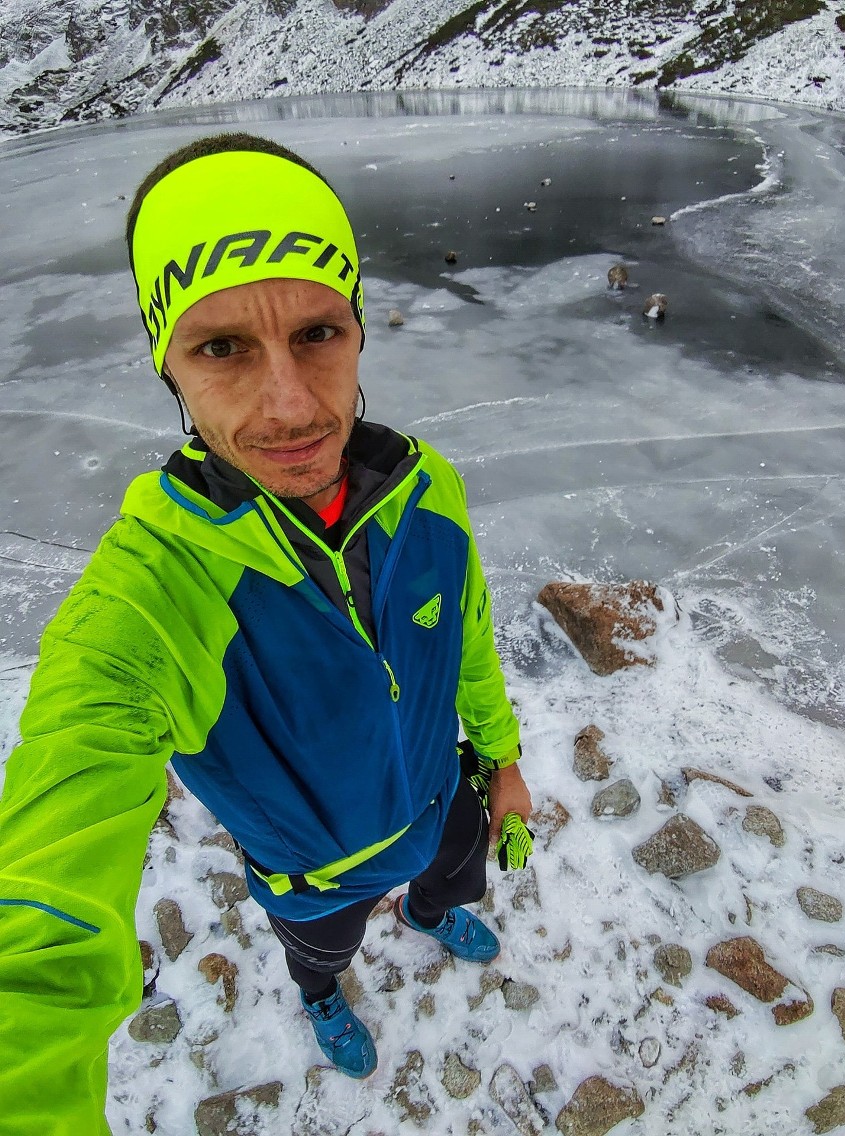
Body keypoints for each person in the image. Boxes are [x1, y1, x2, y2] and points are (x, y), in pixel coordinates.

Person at [0, 132, 532, 1128]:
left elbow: (466, 633)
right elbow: (37, 917)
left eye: (318, 334)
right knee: (321, 950)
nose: (290, 404)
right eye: (222, 347)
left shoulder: (429, 493)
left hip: (436, 805)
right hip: (312, 874)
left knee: (448, 879)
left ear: (360, 331)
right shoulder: (152, 594)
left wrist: (500, 757)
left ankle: (427, 911)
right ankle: (323, 994)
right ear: (171, 369)